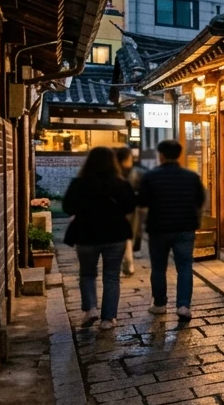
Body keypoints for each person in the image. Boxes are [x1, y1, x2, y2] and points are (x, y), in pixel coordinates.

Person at [63, 147, 136, 330]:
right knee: (111, 276)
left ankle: (90, 310)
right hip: (115, 235)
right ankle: (108, 319)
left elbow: (67, 207)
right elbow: (129, 207)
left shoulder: (79, 183)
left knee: (87, 274)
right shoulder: (121, 183)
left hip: (86, 235)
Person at [137, 139, 207, 319]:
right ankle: (183, 306)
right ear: (179, 154)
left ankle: (159, 304)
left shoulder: (151, 176)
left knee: (158, 267)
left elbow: (142, 202)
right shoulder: (191, 177)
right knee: (184, 267)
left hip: (159, 228)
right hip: (185, 228)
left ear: (160, 155)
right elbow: (200, 201)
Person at [114, 146, 144, 277]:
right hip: (129, 211)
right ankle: (127, 265)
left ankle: (126, 264)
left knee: (125, 238)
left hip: (122, 211)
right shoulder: (136, 173)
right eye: (130, 157)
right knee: (127, 237)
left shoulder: (115, 173)